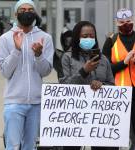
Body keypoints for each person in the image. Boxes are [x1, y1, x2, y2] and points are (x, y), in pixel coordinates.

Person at [0, 0, 54, 150]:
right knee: (13, 146)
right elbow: (4, 71)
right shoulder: (5, 38)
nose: (27, 12)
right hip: (13, 103)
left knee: (30, 146)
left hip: (36, 104)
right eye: (22, 10)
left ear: (35, 13)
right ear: (16, 14)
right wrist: (16, 50)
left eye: (30, 9)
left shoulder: (45, 38)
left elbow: (46, 71)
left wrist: (39, 55)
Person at [60, 21, 118, 150]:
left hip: (101, 118)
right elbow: (63, 86)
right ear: (76, 37)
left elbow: (112, 85)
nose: (89, 39)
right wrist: (83, 71)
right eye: (85, 36)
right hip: (74, 117)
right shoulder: (67, 57)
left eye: (92, 36)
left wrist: (101, 85)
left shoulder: (103, 59)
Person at [102, 8, 135, 150]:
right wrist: (124, 62)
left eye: (128, 21)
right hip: (118, 92)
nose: (126, 24)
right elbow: (105, 68)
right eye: (122, 22)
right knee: (118, 129)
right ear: (116, 23)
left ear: (133, 21)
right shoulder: (111, 41)